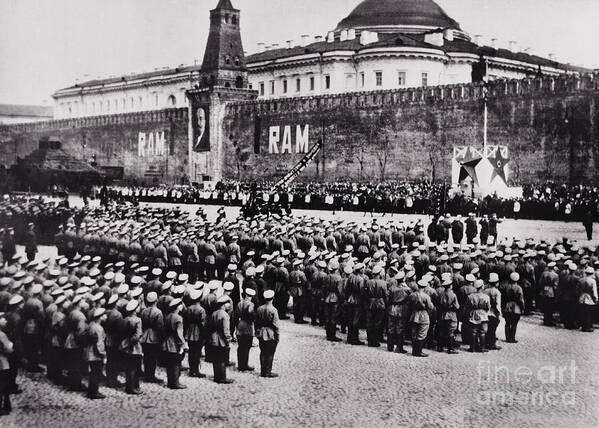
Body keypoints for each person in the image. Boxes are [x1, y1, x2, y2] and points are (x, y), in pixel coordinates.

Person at [162, 298, 188, 389]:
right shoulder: (178, 318)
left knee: (170, 363)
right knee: (176, 362)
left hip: (167, 341)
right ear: (178, 306)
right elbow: (179, 333)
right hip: (174, 342)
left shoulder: (167, 316)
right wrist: (182, 345)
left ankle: (170, 381)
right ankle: (175, 383)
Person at [207, 295, 233, 384]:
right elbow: (226, 329)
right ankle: (222, 377)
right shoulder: (225, 315)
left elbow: (210, 326)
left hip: (213, 337)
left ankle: (216, 376)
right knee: (222, 358)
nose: (229, 305)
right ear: (223, 304)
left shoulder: (214, 313)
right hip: (221, 338)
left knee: (215, 358)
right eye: (227, 303)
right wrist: (228, 338)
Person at [140, 292, 164, 383]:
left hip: (145, 335)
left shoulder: (144, 311)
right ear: (156, 300)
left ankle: (147, 374)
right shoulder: (158, 312)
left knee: (146, 357)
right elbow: (160, 326)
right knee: (153, 357)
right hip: (154, 336)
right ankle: (151, 376)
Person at [255, 290, 279, 378]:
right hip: (270, 332)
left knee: (263, 352)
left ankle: (262, 371)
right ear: (273, 298)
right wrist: (277, 336)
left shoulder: (259, 308)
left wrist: (257, 332)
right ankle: (268, 372)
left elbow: (256, 322)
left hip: (261, 331)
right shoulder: (273, 310)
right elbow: (276, 325)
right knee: (270, 353)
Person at [408, 279, 434, 357]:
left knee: (414, 333)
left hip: (414, 314)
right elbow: (430, 307)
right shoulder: (426, 296)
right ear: (425, 287)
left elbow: (409, 304)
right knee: (422, 333)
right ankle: (419, 351)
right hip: (423, 314)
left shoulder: (412, 295)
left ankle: (414, 350)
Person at [184, 289, 207, 378]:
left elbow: (185, 321)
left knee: (191, 351)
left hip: (190, 331)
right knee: (197, 352)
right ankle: (196, 370)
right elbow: (203, 323)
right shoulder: (201, 310)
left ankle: (191, 369)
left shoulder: (188, 308)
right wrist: (204, 334)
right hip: (198, 332)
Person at [121, 300, 142, 395]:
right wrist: (131, 342)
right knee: (135, 367)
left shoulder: (125, 319)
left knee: (129, 367)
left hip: (125, 343)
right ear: (135, 309)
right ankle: (132, 387)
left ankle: (131, 385)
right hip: (134, 346)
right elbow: (138, 334)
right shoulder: (138, 320)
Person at [85, 308, 107, 399]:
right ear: (100, 317)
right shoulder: (99, 328)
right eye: (104, 315)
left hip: (89, 352)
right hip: (95, 354)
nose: (106, 316)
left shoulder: (91, 325)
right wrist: (103, 354)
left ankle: (91, 391)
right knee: (96, 373)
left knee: (93, 373)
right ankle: (94, 392)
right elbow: (99, 343)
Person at [466, 279, 490, 352]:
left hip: (473, 313)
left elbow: (467, 306)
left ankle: (472, 348)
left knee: (473, 331)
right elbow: (488, 307)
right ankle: (482, 348)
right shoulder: (486, 297)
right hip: (483, 314)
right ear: (482, 286)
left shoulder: (470, 296)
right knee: (482, 332)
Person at [236, 288, 256, 371]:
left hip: (240, 324)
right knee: (247, 346)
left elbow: (236, 315)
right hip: (248, 325)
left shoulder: (239, 303)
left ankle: (240, 364)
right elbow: (250, 315)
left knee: (240, 346)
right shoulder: (251, 304)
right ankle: (244, 365)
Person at [503, 272, 525, 343]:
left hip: (508, 305)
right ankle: (512, 337)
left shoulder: (506, 287)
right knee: (514, 323)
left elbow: (504, 298)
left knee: (507, 323)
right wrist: (522, 307)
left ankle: (507, 337)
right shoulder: (519, 288)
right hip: (516, 307)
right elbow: (521, 299)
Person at [484, 273, 502, 350]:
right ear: (496, 283)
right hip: (493, 312)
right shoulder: (497, 292)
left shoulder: (485, 291)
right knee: (493, 329)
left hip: (486, 312)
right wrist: (499, 314)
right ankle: (492, 344)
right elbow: (498, 304)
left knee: (487, 328)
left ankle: (485, 342)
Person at [0, 311, 14, 415]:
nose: (5, 320)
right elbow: (8, 349)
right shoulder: (2, 335)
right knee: (3, 385)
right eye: (2, 318)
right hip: (2, 363)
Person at [578, 267, 598, 332]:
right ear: (592, 273)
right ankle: (588, 326)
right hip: (589, 297)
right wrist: (596, 298)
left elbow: (578, 289)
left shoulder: (581, 280)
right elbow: (594, 291)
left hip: (582, 296)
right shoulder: (593, 281)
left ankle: (583, 326)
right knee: (589, 312)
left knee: (583, 312)